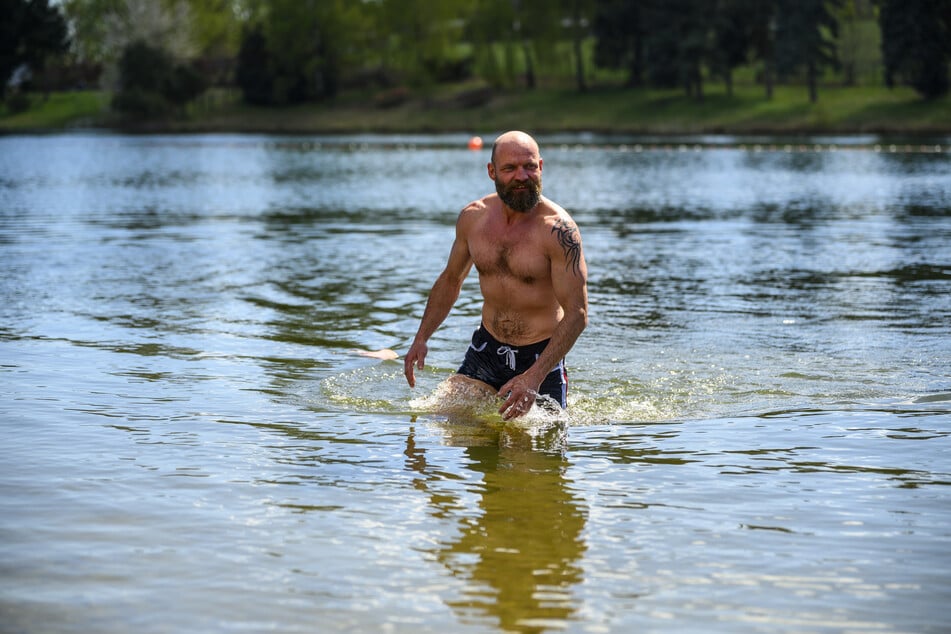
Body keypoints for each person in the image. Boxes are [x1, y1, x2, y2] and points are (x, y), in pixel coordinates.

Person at [404, 131, 589, 420]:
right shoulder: (473, 218)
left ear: (541, 166)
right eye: (509, 168)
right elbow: (451, 280)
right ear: (492, 171)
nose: (522, 176)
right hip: (486, 349)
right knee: (437, 424)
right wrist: (421, 337)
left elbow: (577, 314)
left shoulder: (559, 231)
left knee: (532, 453)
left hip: (540, 357)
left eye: (529, 166)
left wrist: (533, 378)